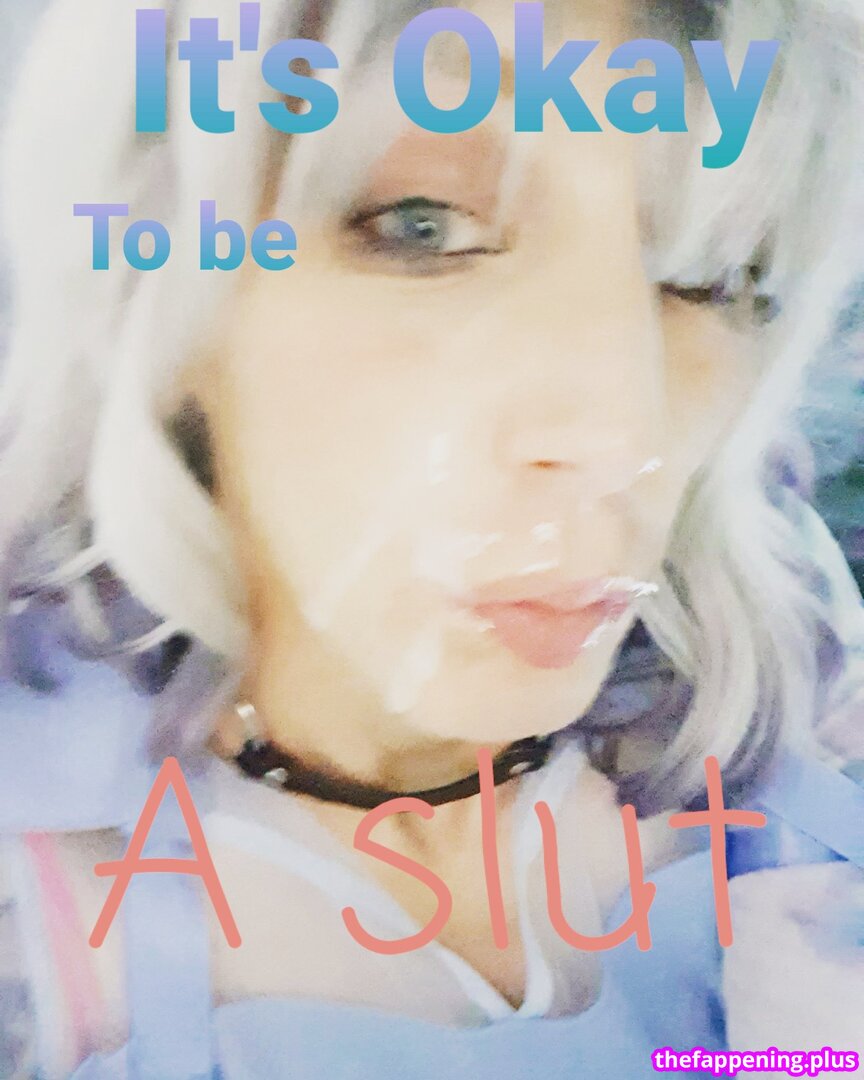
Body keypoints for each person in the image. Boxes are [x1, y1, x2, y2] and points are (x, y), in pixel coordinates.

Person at [0, 0, 863, 1077]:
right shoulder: (43, 934)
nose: (629, 438)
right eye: (423, 227)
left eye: (716, 271)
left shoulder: (808, 718)